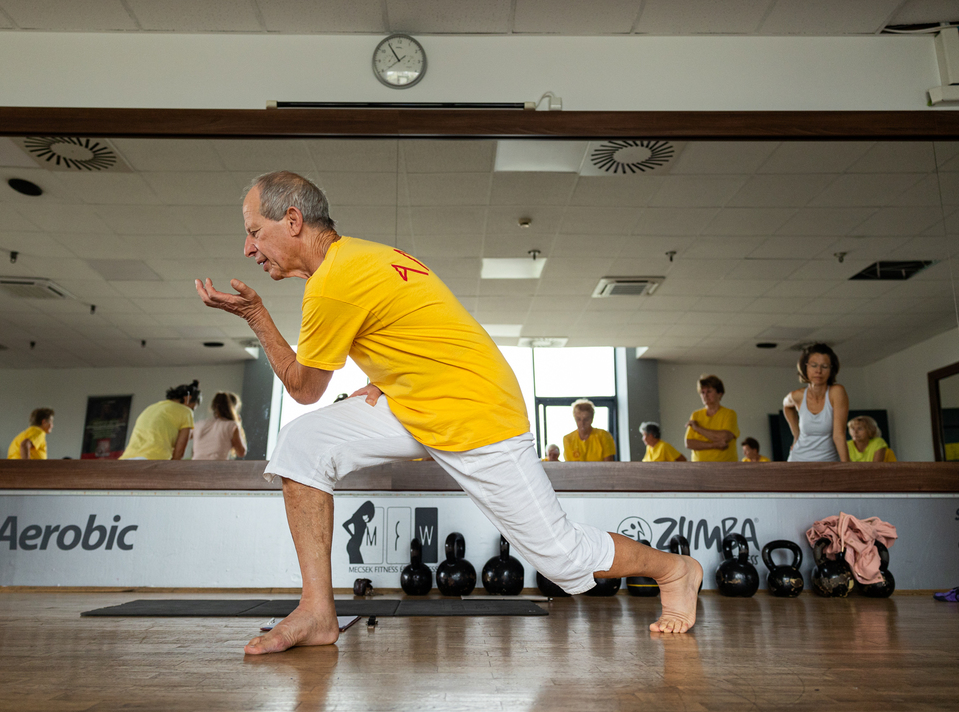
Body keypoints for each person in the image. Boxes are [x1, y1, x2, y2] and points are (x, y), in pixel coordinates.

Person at [195, 171, 702, 653]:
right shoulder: (363, 257)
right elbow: (422, 327)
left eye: (254, 232)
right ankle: (316, 611)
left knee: (565, 561)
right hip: (416, 402)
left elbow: (304, 388)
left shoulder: (332, 281)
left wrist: (257, 316)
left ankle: (674, 569)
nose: (248, 248)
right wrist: (384, 379)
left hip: (475, 412)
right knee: (303, 445)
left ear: (292, 221)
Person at [783, 343, 849, 462]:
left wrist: (848, 466)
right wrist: (796, 436)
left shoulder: (837, 392)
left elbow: (839, 435)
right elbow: (786, 405)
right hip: (798, 461)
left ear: (831, 369)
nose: (818, 371)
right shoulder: (797, 396)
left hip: (828, 462)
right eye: (814, 365)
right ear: (805, 368)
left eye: (824, 366)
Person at [120, 381, 199, 460]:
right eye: (192, 408)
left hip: (127, 459)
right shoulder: (186, 411)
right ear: (187, 398)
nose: (191, 410)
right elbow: (179, 451)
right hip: (154, 460)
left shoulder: (150, 408)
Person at [685, 375, 739, 462]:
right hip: (699, 468)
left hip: (725, 467)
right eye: (702, 392)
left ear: (719, 394)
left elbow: (725, 437)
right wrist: (714, 445)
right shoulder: (695, 415)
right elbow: (689, 443)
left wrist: (698, 428)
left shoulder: (729, 413)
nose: (705, 395)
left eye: (709, 391)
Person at [192, 392, 247, 460]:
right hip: (217, 468)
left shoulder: (199, 424)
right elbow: (241, 452)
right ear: (232, 408)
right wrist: (239, 425)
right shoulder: (231, 426)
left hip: (195, 467)